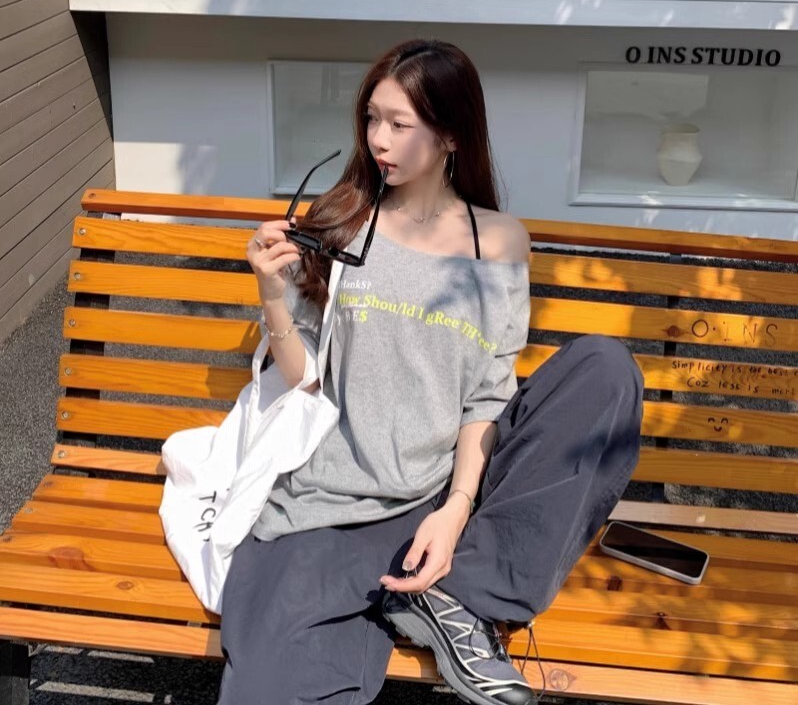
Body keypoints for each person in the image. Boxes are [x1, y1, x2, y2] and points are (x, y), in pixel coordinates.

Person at [217, 39, 644, 705]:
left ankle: (461, 594)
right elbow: (304, 378)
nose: (377, 139)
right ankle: (446, 599)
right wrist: (272, 296)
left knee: (605, 369)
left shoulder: (497, 241)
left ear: (450, 135)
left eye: (399, 123)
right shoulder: (341, 223)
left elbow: (488, 396)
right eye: (371, 118)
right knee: (275, 681)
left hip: (452, 490)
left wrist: (455, 508)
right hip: (339, 491)